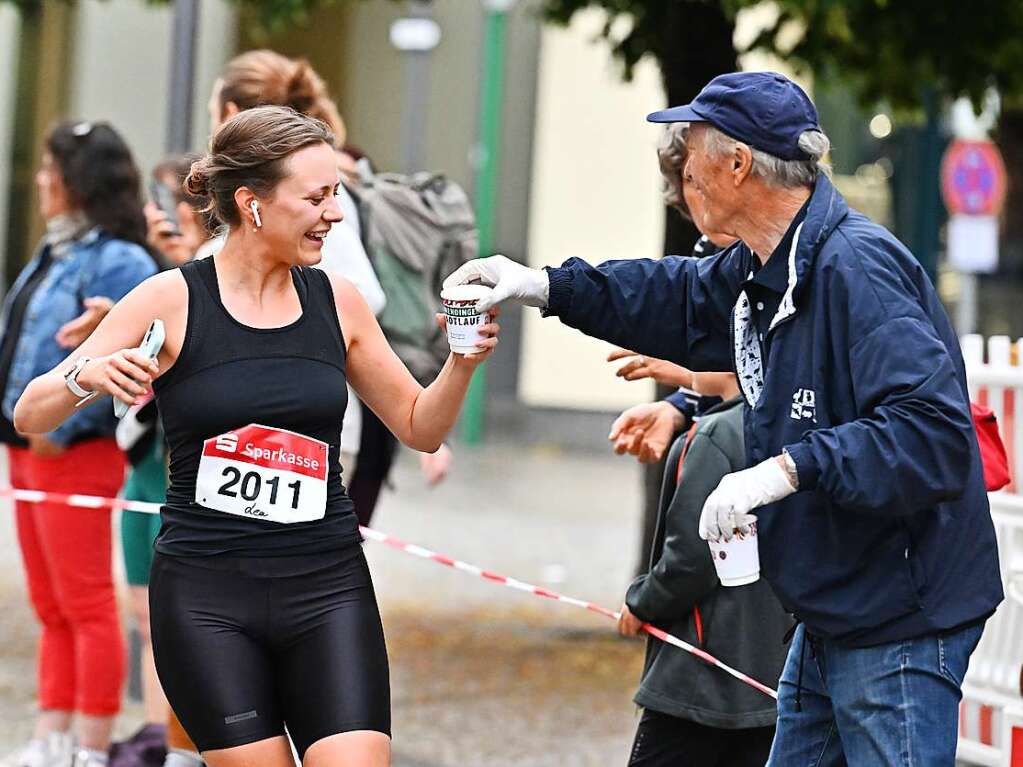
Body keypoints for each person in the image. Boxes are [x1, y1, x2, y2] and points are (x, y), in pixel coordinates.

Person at [445, 71, 1003, 765]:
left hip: (896, 615)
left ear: (737, 163)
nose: (681, 174)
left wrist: (779, 470)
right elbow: (669, 298)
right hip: (832, 609)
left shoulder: (854, 266)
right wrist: (543, 284)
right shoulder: (761, 263)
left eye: (692, 153)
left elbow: (929, 434)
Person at [14, 106, 500, 767]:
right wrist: (88, 375)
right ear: (253, 204)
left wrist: (462, 363)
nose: (334, 213)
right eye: (316, 196)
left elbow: (419, 425)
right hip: (208, 598)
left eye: (336, 195)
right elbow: (30, 412)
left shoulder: (340, 301)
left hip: (327, 587)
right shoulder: (170, 300)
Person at [0, 121, 158, 767]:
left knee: (87, 601)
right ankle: (50, 736)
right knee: (50, 601)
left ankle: (89, 747)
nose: (40, 181)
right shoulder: (57, 247)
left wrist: (57, 428)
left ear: (78, 180)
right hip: (27, 446)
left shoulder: (120, 258)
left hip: (74, 452)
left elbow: (130, 360)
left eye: (49, 170)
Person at [617, 373, 790, 767]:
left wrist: (642, 603)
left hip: (700, 672)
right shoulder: (792, 422)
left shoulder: (714, 435)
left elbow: (691, 558)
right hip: (774, 671)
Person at [109, 155, 218, 767]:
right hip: (145, 462)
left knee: (183, 622)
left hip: (187, 475)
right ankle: (159, 736)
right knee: (145, 615)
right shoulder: (160, 278)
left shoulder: (214, 282)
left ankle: (186, 745)